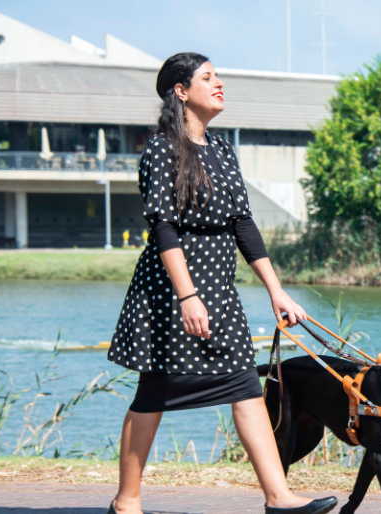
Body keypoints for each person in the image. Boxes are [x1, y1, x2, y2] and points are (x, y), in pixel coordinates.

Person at [106, 52, 337, 514]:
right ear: (180, 90)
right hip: (172, 290)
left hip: (220, 289)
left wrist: (276, 290)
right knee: (154, 392)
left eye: (218, 77)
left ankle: (278, 498)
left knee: (247, 388)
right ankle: (126, 501)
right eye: (208, 78)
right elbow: (163, 228)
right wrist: (187, 295)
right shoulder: (161, 150)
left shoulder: (222, 150)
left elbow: (243, 225)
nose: (219, 84)